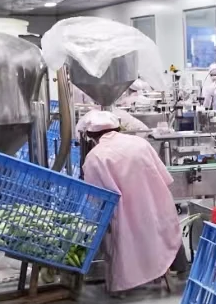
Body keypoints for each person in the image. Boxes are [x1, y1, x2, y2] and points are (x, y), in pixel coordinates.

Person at [78, 110, 182, 294]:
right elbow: (165, 178)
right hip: (154, 209)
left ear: (91, 136)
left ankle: (121, 286)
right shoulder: (140, 144)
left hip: (123, 216)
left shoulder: (95, 157)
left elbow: (96, 199)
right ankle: (161, 272)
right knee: (155, 239)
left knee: (124, 239)